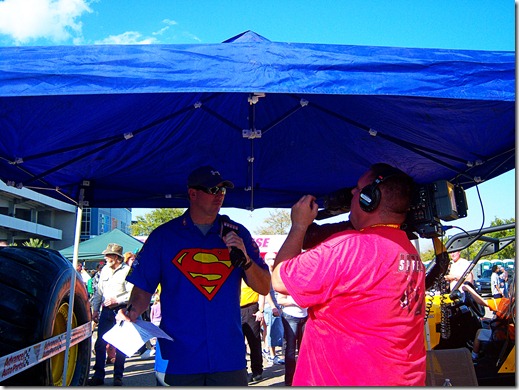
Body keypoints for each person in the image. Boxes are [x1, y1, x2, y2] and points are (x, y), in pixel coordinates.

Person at [271, 163, 426, 386]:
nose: (353, 192)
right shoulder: (410, 252)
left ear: (370, 199)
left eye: (359, 189)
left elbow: (279, 278)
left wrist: (298, 225)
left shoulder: (345, 249)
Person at [118, 165, 271, 386]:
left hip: (228, 358)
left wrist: (245, 259)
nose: (219, 196)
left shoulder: (238, 233)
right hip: (178, 357)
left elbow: (265, 286)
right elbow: (143, 289)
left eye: (222, 191)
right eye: (213, 190)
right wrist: (130, 312)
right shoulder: (163, 237)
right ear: (193, 193)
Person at [88, 243, 134, 386]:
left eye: (108, 255)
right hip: (106, 311)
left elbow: (132, 294)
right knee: (100, 343)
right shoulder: (104, 271)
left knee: (120, 345)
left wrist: (117, 300)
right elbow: (99, 292)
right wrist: (95, 310)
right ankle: (98, 376)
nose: (105, 257)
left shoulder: (128, 271)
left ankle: (118, 376)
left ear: (117, 257)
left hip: (121, 310)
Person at [277, 293, 307, 386]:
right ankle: (290, 382)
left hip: (305, 316)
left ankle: (303, 378)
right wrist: (297, 302)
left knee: (304, 350)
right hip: (290, 316)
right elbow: (280, 300)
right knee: (290, 350)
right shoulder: (287, 280)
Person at [261, 253, 285, 366]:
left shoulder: (275, 272)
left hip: (276, 306)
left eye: (274, 258)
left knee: (269, 330)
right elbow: (266, 292)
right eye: (271, 258)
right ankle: (271, 355)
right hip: (270, 307)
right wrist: (273, 306)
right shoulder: (267, 273)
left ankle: (267, 351)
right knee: (272, 331)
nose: (273, 260)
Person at [240, 280, 264, 383]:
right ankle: (242, 370)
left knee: (254, 341)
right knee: (238, 344)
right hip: (236, 309)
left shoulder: (249, 276)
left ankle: (257, 371)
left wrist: (261, 310)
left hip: (251, 308)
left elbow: (262, 291)